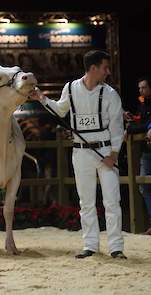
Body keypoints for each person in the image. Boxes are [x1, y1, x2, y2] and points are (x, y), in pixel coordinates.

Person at [29, 50, 127, 259]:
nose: (107, 72)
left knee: (112, 201)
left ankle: (116, 246)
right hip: (81, 152)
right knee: (86, 202)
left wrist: (114, 154)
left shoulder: (110, 94)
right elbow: (61, 110)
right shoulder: (71, 89)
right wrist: (42, 99)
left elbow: (118, 126)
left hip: (105, 152)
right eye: (104, 68)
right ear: (93, 68)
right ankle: (90, 245)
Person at [125, 76, 151, 234]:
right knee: (143, 186)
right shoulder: (142, 104)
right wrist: (132, 122)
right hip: (146, 151)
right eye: (139, 88)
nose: (140, 91)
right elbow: (142, 123)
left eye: (143, 87)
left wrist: (132, 129)